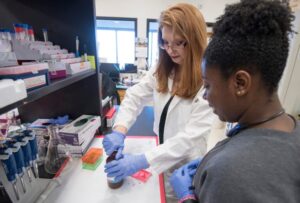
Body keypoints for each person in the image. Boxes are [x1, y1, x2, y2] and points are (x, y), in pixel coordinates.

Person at [169, 0, 300, 202]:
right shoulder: (293, 129)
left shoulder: (230, 171)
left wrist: (187, 198)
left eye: (208, 85)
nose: (205, 95)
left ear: (240, 83)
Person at [103, 3, 215, 202]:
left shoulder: (208, 81)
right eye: (165, 42)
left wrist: (142, 160)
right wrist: (120, 130)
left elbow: (188, 139)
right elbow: (135, 95)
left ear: (195, 40)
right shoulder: (164, 68)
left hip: (184, 165)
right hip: (158, 152)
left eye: (179, 42)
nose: (170, 50)